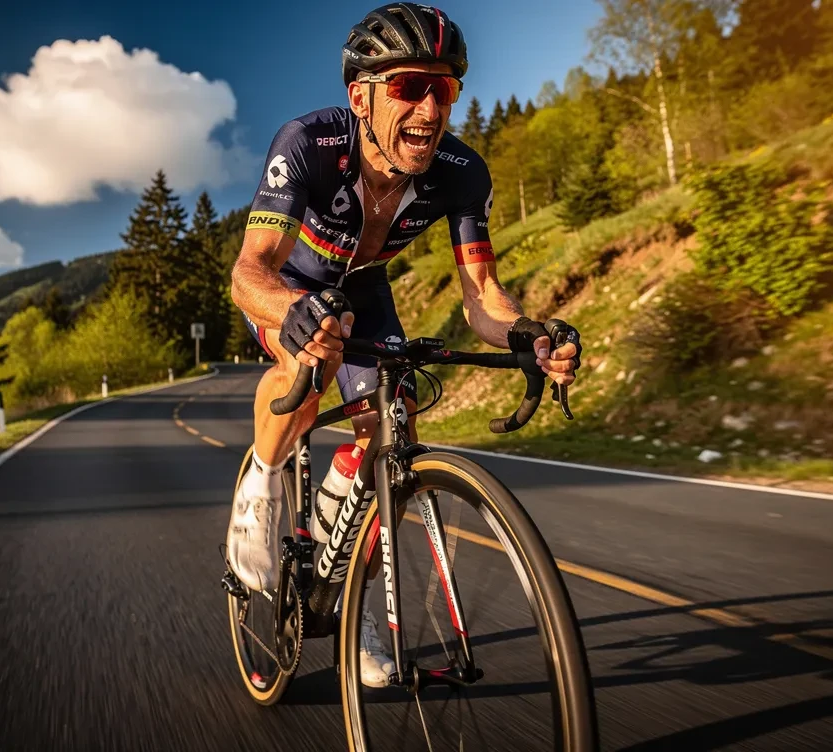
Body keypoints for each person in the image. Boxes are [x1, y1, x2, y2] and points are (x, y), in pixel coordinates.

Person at [226, 3, 582, 687]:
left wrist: (528, 334)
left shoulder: (461, 172)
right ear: (360, 97)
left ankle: (349, 598)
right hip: (290, 288)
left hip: (365, 292)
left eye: (443, 89)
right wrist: (292, 311)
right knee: (311, 359)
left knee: (394, 430)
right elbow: (250, 271)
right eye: (408, 87)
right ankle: (260, 488)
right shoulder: (307, 144)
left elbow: (483, 295)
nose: (429, 108)